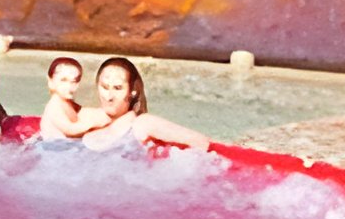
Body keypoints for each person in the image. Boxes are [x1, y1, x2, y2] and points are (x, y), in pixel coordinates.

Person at [79, 58, 212, 152]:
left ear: (132, 92)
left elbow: (203, 143)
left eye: (118, 88)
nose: (109, 96)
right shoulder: (84, 125)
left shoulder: (143, 124)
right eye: (104, 87)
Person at [35, 55, 99, 142]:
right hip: (52, 148)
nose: (69, 86)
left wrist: (103, 114)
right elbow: (70, 130)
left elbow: (83, 111)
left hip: (65, 145)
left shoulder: (68, 103)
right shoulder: (54, 107)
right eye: (63, 80)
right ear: (51, 82)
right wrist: (92, 124)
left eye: (74, 81)